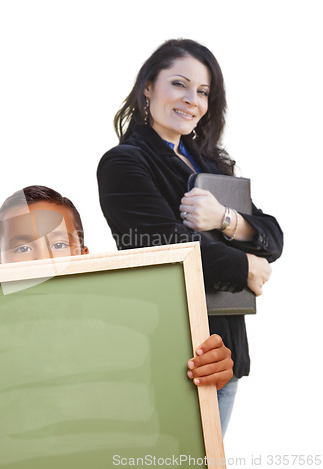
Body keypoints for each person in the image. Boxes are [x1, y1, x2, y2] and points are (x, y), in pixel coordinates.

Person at [0, 185, 234, 392]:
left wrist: (212, 369)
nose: (41, 259)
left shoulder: (128, 328)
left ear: (84, 256)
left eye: (57, 244)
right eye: (22, 247)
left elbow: (182, 373)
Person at [97, 39, 283, 434]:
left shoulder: (210, 163)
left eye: (203, 92)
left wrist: (225, 218)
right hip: (179, 352)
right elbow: (161, 247)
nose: (191, 100)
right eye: (179, 84)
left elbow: (274, 237)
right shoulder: (125, 162)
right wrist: (245, 266)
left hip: (227, 350)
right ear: (148, 86)